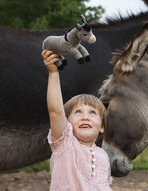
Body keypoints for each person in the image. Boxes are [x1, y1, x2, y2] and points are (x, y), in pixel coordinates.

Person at [41, 50, 113, 191]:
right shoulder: (65, 144)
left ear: (102, 127)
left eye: (92, 113)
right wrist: (53, 73)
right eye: (78, 112)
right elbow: (55, 112)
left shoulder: (103, 155)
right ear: (67, 123)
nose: (85, 116)